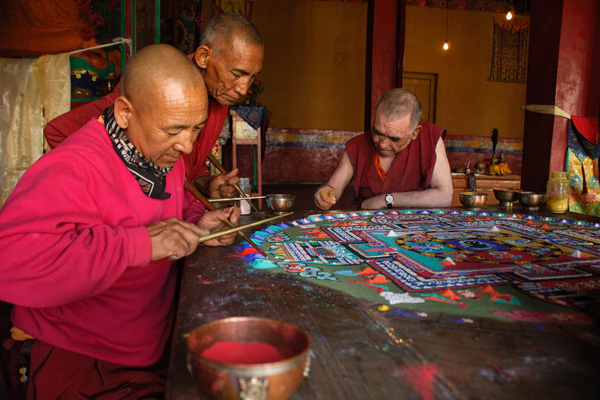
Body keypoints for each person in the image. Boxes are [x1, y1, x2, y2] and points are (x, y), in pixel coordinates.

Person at [0, 44, 240, 399]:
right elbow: (9, 260)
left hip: (149, 352)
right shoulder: (75, 166)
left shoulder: (158, 149)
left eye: (196, 128)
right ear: (126, 113)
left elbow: (173, 202)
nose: (187, 146)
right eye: (175, 130)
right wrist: (140, 243)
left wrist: (197, 224)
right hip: (84, 362)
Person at [44, 12, 264, 200]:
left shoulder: (219, 94)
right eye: (237, 74)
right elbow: (59, 132)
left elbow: (188, 166)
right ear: (204, 57)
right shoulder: (157, 85)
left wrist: (206, 184)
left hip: (175, 219)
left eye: (252, 77)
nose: (243, 89)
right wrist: (116, 195)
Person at [314, 88, 453, 210]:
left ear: (415, 132)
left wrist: (386, 200)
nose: (382, 144)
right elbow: (333, 187)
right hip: (366, 224)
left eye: (394, 139)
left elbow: (444, 196)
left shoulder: (430, 138)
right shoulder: (358, 145)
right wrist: (325, 194)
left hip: (413, 226)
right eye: (377, 132)